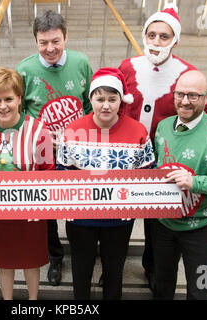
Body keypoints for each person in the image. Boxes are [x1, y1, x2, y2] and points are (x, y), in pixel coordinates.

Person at [117, 6, 207, 289]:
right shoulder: (127, 67)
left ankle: (153, 268)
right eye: (152, 34)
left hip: (165, 155)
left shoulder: (186, 72)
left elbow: (200, 102)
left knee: (157, 219)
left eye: (164, 36)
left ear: (175, 40)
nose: (156, 41)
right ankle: (113, 266)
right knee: (121, 215)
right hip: (127, 155)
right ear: (144, 36)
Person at [57, 68, 155, 299]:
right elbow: (62, 172)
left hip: (119, 219)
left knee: (114, 270)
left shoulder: (138, 131)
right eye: (100, 99)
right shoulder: (72, 130)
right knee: (81, 270)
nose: (106, 105)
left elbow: (147, 172)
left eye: (112, 99)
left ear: (121, 100)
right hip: (80, 217)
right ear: (90, 99)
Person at [16, 9, 93, 287]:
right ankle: (55, 256)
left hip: (78, 146)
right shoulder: (24, 69)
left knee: (79, 202)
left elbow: (89, 104)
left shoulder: (82, 62)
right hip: (42, 150)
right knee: (46, 207)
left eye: (55, 41)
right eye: (43, 42)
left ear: (66, 38)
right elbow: (20, 112)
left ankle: (82, 250)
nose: (50, 48)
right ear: (35, 41)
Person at [152, 70, 207, 299]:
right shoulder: (163, 127)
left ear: (206, 97)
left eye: (193, 95)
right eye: (180, 94)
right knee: (161, 282)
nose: (185, 101)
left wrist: (195, 182)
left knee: (200, 286)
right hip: (164, 223)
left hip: (201, 226)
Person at [0, 67, 55, 300]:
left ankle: (32, 301)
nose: (3, 105)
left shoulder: (39, 130)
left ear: (19, 98)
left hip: (31, 212)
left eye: (8, 98)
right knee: (4, 261)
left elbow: (48, 171)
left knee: (31, 261)